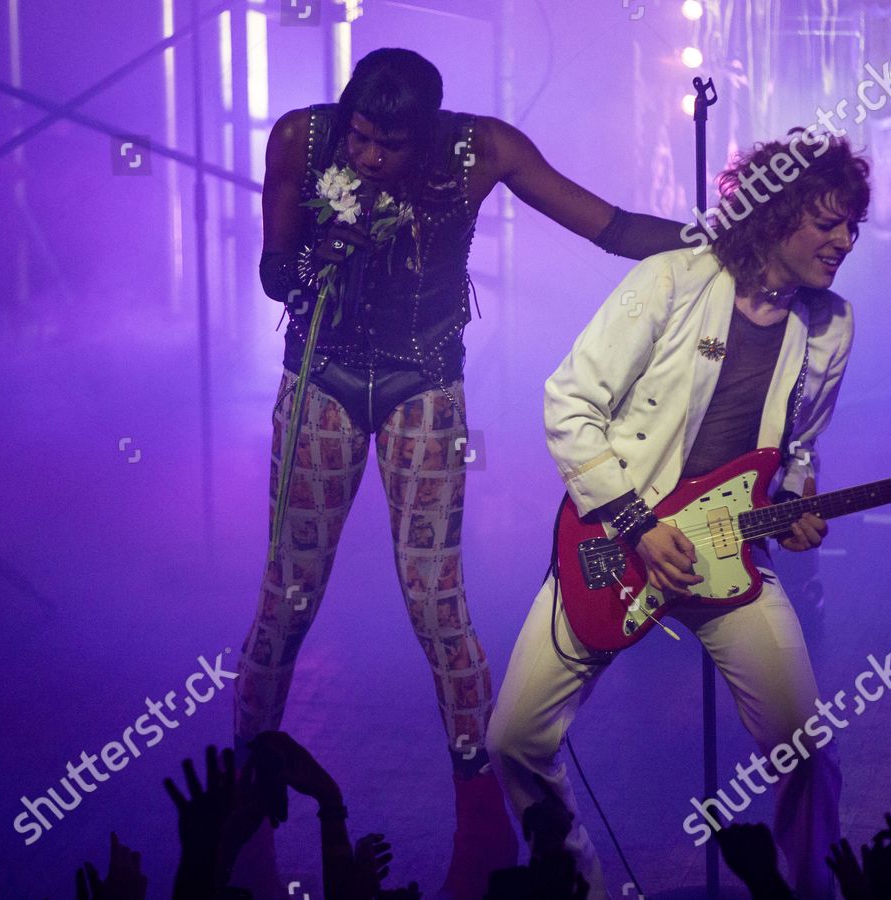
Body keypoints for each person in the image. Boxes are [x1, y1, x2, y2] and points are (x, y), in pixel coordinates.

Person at [238, 46, 687, 897]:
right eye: (361, 137)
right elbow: (271, 271)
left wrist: (715, 242)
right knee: (285, 596)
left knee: (437, 602)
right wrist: (310, 257)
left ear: (427, 133)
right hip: (321, 381)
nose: (368, 156)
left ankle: (482, 821)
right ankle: (243, 812)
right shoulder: (302, 138)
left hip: (423, 385)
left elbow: (612, 229)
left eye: (387, 146)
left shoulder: (483, 150)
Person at [487, 128, 871, 899]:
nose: (844, 240)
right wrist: (637, 524)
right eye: (827, 222)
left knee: (803, 745)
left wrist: (794, 503)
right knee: (515, 739)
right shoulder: (670, 281)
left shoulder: (830, 326)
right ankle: (578, 889)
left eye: (852, 225)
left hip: (727, 554)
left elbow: (799, 448)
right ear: (775, 213)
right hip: (620, 539)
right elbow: (570, 403)